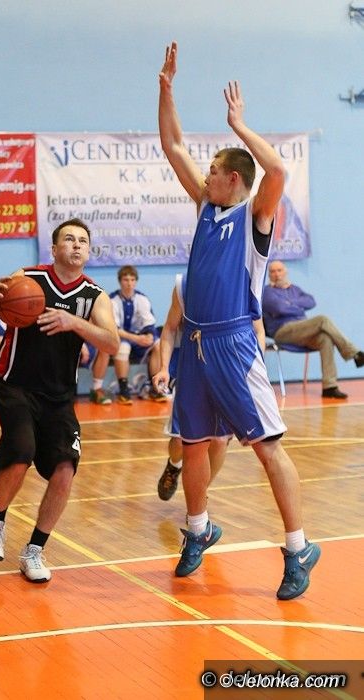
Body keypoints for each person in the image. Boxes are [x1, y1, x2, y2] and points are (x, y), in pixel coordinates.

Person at [158, 41, 320, 600]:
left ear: (232, 178)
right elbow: (173, 145)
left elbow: (275, 168)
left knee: (267, 445)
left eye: (213, 171)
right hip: (196, 345)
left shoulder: (256, 216)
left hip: (233, 344)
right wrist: (166, 89)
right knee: (193, 443)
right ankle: (198, 529)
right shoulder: (205, 208)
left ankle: (299, 547)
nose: (204, 175)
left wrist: (239, 125)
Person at [0, 218, 119, 583]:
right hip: (16, 387)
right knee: (21, 452)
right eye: (69, 239)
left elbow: (112, 344)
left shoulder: (94, 296)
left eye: (83, 240)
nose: (77, 244)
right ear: (54, 249)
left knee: (66, 468)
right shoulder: (26, 279)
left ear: (88, 251)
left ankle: (34, 550)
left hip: (59, 397)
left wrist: (74, 322)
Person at [155, 274, 266, 501]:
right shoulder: (185, 284)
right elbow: (170, 328)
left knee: (220, 440)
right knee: (181, 440)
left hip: (229, 371)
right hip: (192, 369)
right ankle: (174, 465)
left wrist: (256, 367)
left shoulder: (241, 283)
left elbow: (258, 331)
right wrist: (164, 367)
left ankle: (200, 496)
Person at [263, 260, 364, 399]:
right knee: (322, 319)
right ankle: (354, 353)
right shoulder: (267, 292)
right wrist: (298, 306)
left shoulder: (295, 289)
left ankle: (329, 387)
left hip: (302, 329)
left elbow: (311, 301)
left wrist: (290, 303)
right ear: (269, 275)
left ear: (285, 272)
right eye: (273, 271)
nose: (277, 274)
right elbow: (279, 308)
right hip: (282, 331)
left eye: (279, 270)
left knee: (325, 339)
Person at [90, 265, 166, 405]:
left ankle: (154, 387)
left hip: (139, 337)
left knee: (158, 343)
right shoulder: (112, 300)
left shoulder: (142, 299)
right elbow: (113, 328)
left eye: (132, 280)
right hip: (122, 337)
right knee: (123, 348)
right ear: (120, 281)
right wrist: (136, 338)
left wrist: (149, 335)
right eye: (126, 280)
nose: (129, 283)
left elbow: (149, 323)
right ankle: (124, 390)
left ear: (136, 281)